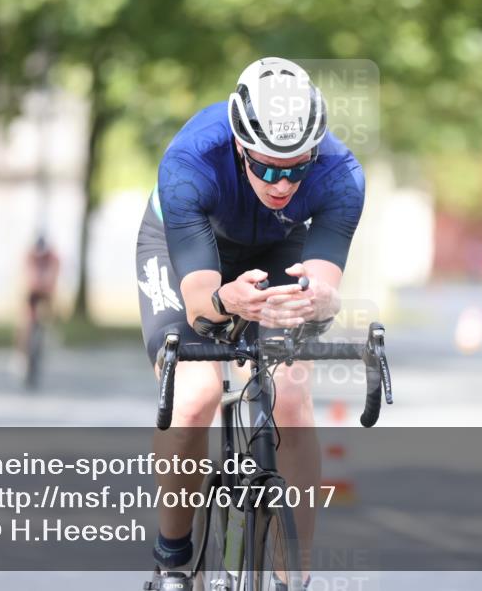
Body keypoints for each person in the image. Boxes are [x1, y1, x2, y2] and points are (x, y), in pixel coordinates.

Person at [137, 57, 365, 590]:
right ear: (241, 147)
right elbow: (200, 303)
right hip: (189, 251)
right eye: (266, 167)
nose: (282, 183)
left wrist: (319, 301)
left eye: (296, 168)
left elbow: (323, 285)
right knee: (195, 396)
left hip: (278, 244)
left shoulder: (341, 174)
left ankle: (293, 578)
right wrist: (228, 300)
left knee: (291, 395)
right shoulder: (191, 161)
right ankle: (173, 559)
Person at [16, 234, 60, 360]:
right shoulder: (30, 256)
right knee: (26, 320)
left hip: (47, 290)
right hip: (33, 290)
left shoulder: (52, 257)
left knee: (49, 313)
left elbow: (55, 271)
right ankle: (21, 351)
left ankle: (49, 333)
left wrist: (48, 283)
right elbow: (26, 272)